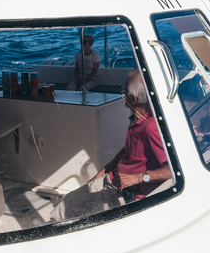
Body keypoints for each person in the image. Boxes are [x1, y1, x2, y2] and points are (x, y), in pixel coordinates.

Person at [51, 71, 173, 220]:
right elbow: (128, 152)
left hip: (128, 193)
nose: (122, 91)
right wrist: (103, 171)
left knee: (65, 208)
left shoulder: (151, 128)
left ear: (133, 98)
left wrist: (139, 178)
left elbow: (173, 169)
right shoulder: (137, 120)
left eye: (125, 89)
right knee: (68, 199)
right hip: (113, 178)